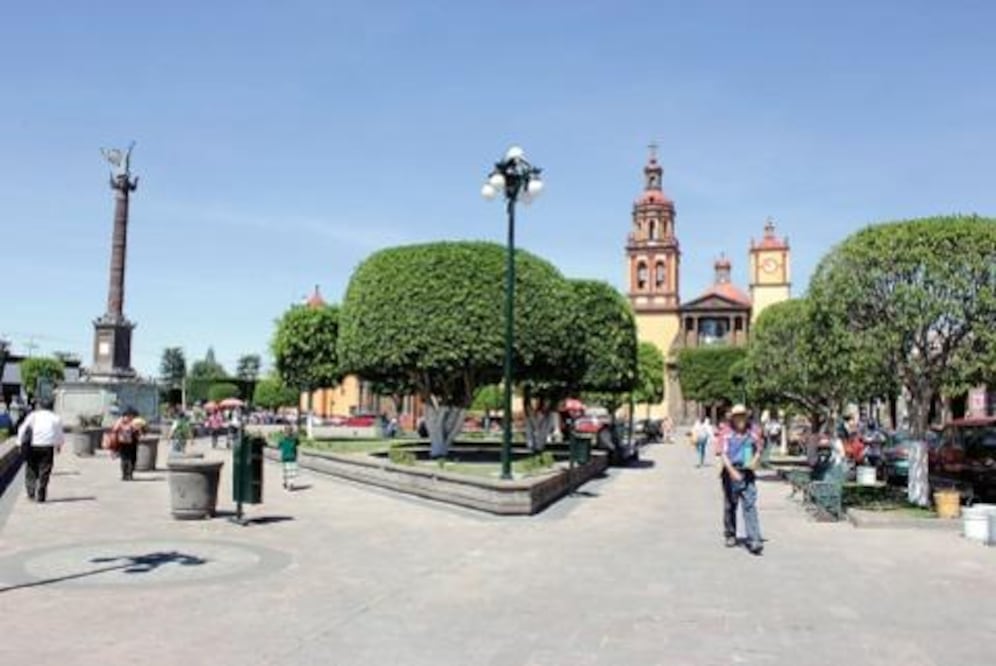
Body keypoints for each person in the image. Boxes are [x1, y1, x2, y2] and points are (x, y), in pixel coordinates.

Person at [720, 404, 764, 555]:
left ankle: (754, 540)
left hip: (747, 472)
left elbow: (759, 449)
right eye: (737, 416)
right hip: (731, 471)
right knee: (730, 505)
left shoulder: (753, 431)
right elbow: (723, 454)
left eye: (743, 416)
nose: (740, 419)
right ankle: (730, 534)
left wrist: (755, 460)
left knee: (750, 505)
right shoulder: (726, 432)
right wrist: (731, 471)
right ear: (732, 418)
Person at [17, 397, 65, 502]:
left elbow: (22, 429)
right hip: (47, 446)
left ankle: (31, 492)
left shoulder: (33, 415)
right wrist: (59, 445)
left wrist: (19, 443)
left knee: (31, 469)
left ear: (40, 406)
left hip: (33, 445)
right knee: (45, 470)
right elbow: (59, 434)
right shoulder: (56, 418)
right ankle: (41, 492)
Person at [110, 407, 140, 481]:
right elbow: (139, 432)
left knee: (124, 458)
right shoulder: (134, 421)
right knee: (131, 458)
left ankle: (125, 475)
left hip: (122, 442)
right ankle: (129, 475)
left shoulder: (120, 420)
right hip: (131, 443)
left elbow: (114, 429)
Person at [278, 425, 300, 490]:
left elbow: (279, 446)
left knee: (286, 471)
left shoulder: (282, 439)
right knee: (292, 471)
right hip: (293, 457)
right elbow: (298, 443)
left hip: (285, 457)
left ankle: (286, 482)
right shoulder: (294, 439)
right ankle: (290, 484)